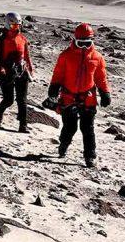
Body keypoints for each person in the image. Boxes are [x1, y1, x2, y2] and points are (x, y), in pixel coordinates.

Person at [45, 23, 111, 168]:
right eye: (81, 43)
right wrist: (54, 88)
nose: (84, 47)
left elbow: (101, 77)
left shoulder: (98, 57)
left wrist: (105, 92)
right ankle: (63, 145)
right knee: (70, 127)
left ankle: (90, 156)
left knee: (88, 129)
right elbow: (58, 74)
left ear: (92, 41)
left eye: (87, 44)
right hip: (68, 98)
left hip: (88, 99)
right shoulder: (66, 56)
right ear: (74, 40)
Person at [0, 12, 33, 131]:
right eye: (13, 26)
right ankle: (0, 112)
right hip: (7, 72)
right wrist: (1, 70)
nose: (16, 28)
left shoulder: (23, 39)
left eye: (18, 25)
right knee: (9, 100)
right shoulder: (2, 40)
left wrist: (30, 70)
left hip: (22, 71)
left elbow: (27, 56)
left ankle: (23, 125)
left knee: (22, 100)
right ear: (7, 25)